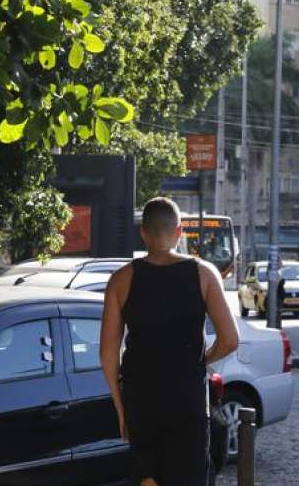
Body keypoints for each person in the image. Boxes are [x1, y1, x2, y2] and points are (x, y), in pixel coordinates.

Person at [101, 198, 239, 486]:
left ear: (144, 233)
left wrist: (120, 405)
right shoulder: (204, 274)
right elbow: (229, 340)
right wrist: (201, 360)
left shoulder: (121, 280)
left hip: (141, 401)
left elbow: (108, 351)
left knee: (146, 479)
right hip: (187, 401)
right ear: (179, 232)